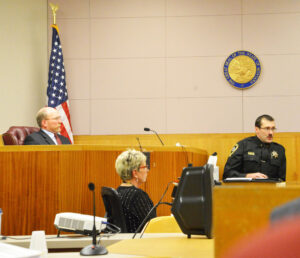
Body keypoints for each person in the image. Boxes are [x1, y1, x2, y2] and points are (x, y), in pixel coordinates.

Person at [223, 114, 286, 181]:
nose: (271, 133)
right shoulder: (243, 145)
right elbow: (227, 173)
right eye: (267, 129)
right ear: (257, 129)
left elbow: (281, 180)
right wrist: (247, 176)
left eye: (273, 129)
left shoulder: (279, 150)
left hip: (271, 190)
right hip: (247, 189)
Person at [115, 149, 156, 233]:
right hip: (138, 244)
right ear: (135, 173)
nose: (147, 170)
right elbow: (152, 227)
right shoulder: (137, 196)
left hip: (123, 243)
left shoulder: (118, 191)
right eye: (144, 167)